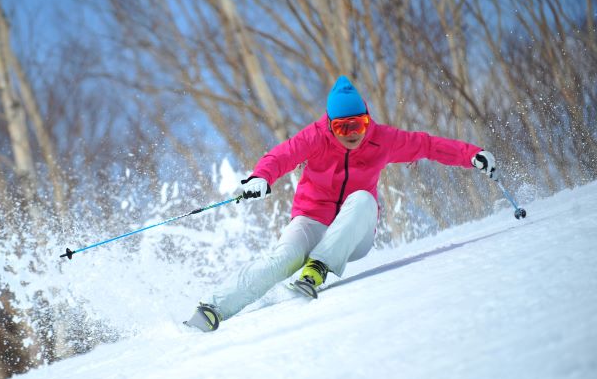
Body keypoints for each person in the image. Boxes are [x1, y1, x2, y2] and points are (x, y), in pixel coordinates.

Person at [184, 76, 495, 332]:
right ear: (330, 125)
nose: (351, 135)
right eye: (342, 128)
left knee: (362, 199)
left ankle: (318, 268)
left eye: (357, 125)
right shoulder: (315, 137)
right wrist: (261, 178)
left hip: (354, 235)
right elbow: (281, 155)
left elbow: (427, 145)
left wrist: (471, 154)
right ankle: (212, 309)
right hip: (311, 220)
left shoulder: (382, 139)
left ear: (367, 121)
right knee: (283, 259)